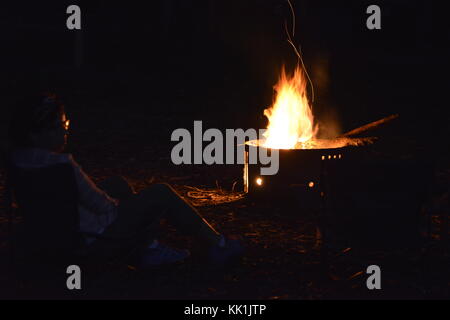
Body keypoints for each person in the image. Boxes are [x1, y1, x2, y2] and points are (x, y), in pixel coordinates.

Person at [6, 92, 242, 267]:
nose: (65, 131)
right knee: (161, 193)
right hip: (90, 242)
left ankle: (147, 248)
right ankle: (218, 244)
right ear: (36, 133)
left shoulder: (18, 161)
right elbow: (104, 207)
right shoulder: (61, 166)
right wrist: (136, 211)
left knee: (117, 184)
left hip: (52, 237)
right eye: (59, 126)